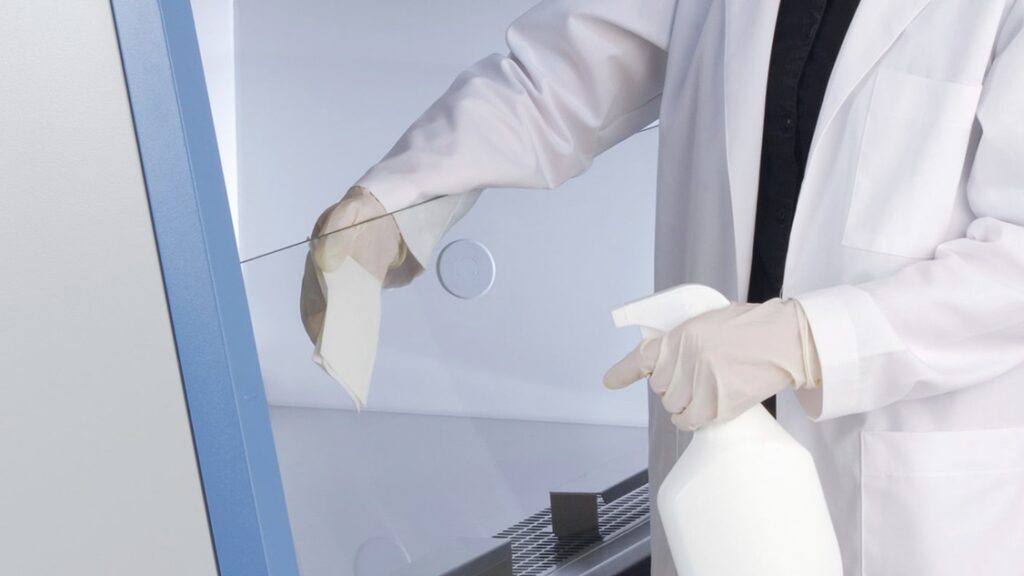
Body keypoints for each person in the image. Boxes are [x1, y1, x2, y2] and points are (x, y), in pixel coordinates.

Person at [300, 1, 1024, 574]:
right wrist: (398, 199)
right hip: (718, 479)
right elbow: (561, 78)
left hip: (915, 509)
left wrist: (809, 339)